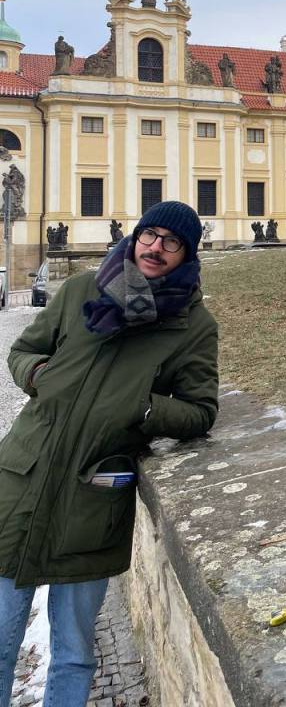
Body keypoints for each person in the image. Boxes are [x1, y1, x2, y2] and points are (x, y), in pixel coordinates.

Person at [0, 200, 218, 707]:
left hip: (93, 498)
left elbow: (200, 411)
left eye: (172, 242)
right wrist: (39, 375)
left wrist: (142, 407)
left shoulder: (193, 325)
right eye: (150, 234)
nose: (156, 248)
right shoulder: (81, 289)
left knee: (75, 652)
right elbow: (23, 350)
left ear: (187, 254)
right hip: (22, 481)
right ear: (136, 236)